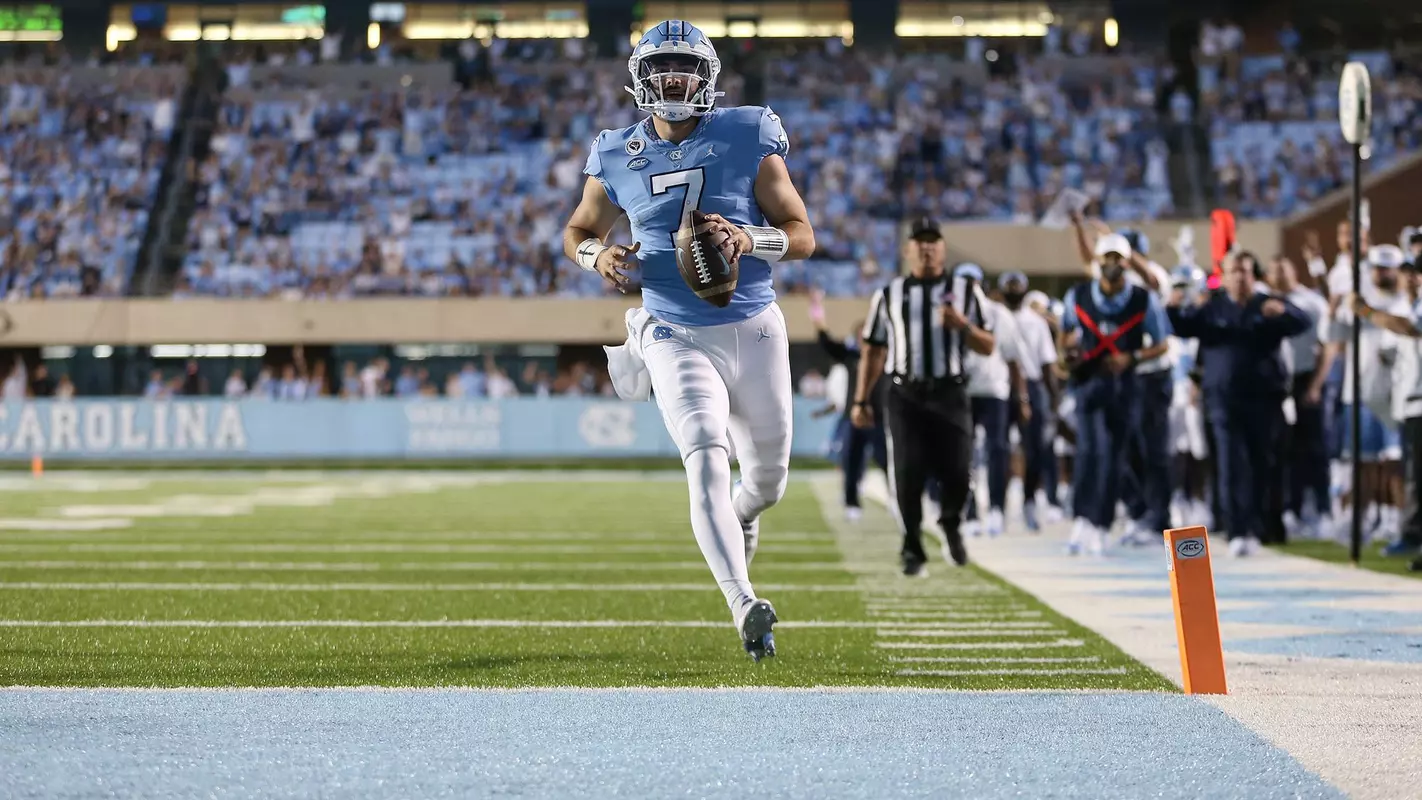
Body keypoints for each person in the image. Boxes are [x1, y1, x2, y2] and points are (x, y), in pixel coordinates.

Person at [563, 20, 814, 662]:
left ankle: (746, 516)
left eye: (685, 68)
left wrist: (744, 238)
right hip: (670, 326)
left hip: (753, 323)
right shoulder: (615, 150)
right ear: (641, 80)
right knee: (704, 450)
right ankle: (743, 604)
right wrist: (596, 258)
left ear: (707, 77)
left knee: (767, 481)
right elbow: (578, 229)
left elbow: (802, 233)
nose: (674, 79)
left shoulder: (747, 131)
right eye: (662, 68)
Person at [853, 217, 995, 576]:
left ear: (943, 248)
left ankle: (950, 523)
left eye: (933, 241)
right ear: (908, 250)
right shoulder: (889, 294)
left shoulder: (966, 290)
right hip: (905, 394)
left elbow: (989, 345)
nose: (927, 248)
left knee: (960, 471)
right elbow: (872, 350)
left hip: (951, 391)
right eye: (920, 242)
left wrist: (962, 325)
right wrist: (860, 399)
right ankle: (912, 545)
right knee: (907, 473)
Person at [1168, 253, 1313, 556]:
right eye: (1234, 271)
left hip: (1265, 398)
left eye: (1245, 272)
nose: (1240, 277)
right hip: (1224, 398)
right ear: (1224, 275)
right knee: (1231, 464)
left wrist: (1284, 310)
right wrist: (1173, 303)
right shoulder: (1212, 307)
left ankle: (1259, 527)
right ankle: (1237, 529)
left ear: (1253, 275)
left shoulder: (1267, 303)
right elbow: (1180, 326)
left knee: (1262, 463)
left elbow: (1303, 322)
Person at [1060, 233, 1171, 556]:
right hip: (1089, 381)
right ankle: (1082, 517)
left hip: (1125, 386)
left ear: (1126, 262)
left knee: (1114, 456)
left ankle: (1101, 523)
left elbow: (1162, 342)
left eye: (1117, 258)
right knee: (1090, 451)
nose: (1111, 264)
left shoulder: (1142, 298)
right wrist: (1066, 355)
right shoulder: (1079, 294)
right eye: (1105, 257)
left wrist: (1132, 357)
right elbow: (1065, 331)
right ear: (1098, 260)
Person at [1348, 256, 1422, 559]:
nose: (1412, 279)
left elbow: (1407, 328)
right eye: (1408, 274)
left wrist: (1364, 310)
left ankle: (1412, 535)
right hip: (1408, 403)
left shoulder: (1411, 311)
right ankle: (1412, 535)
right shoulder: (1407, 306)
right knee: (1413, 473)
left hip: (1420, 403)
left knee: (1415, 475)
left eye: (1417, 274)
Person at [1268, 255, 1332, 538]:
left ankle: (1322, 509)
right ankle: (1290, 509)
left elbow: (1327, 346)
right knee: (1284, 449)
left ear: (1293, 271)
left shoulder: (1312, 302)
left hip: (1306, 377)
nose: (1279, 275)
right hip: (1277, 382)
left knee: (1315, 448)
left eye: (1284, 269)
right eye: (1275, 271)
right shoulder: (1264, 301)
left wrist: (1317, 383)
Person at [809, 291, 886, 521]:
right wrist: (816, 310)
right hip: (855, 416)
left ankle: (897, 498)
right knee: (850, 460)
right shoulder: (851, 356)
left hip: (881, 417)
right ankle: (852, 502)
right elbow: (825, 339)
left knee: (889, 462)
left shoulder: (886, 355)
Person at [960, 264, 1022, 538]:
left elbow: (1012, 359)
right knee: (964, 453)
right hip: (961, 390)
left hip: (995, 389)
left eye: (974, 281)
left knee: (998, 449)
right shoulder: (951, 313)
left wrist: (1022, 397)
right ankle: (970, 510)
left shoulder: (999, 314)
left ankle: (997, 508)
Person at [1001, 272, 1059, 531]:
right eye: (1009, 286)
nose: (1013, 290)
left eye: (1017, 286)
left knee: (1034, 448)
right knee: (998, 448)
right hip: (1000, 385)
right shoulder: (996, 316)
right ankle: (996, 505)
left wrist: (1052, 395)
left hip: (1032, 384)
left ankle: (1029, 501)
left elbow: (1046, 361)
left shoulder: (1036, 321)